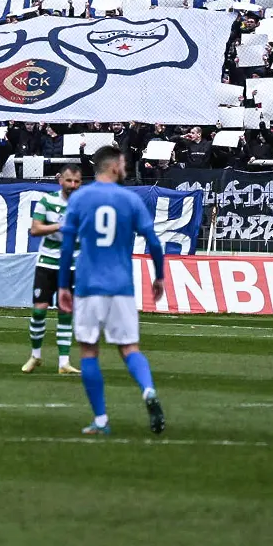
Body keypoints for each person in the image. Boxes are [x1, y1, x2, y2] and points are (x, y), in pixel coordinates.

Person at [57, 146, 166, 436]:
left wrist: (62, 285)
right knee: (130, 349)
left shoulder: (80, 198)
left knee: (89, 351)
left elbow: (67, 245)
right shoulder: (130, 199)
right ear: (115, 165)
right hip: (122, 286)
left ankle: (102, 420)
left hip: (89, 285)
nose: (127, 167)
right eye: (124, 163)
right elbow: (154, 242)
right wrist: (160, 277)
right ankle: (148, 390)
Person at [22, 166, 82, 375]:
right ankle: (35, 356)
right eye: (68, 181)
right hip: (47, 262)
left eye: (76, 182)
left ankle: (63, 362)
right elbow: (35, 229)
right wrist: (59, 226)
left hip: (72, 264)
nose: (72, 185)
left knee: (66, 312)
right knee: (39, 310)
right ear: (60, 181)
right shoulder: (47, 201)